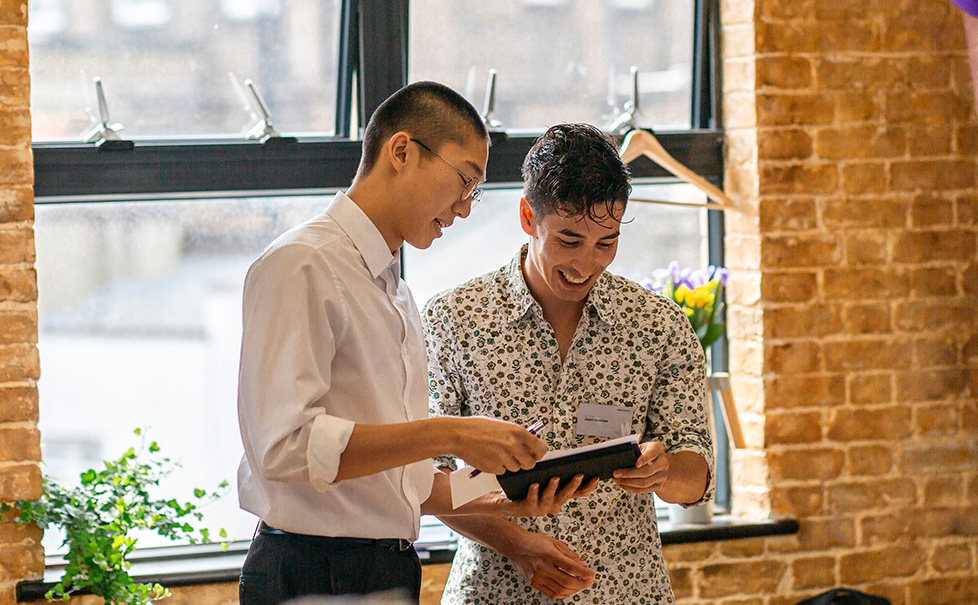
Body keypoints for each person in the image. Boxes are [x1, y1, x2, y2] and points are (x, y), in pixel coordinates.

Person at [236, 82, 591, 605]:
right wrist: (451, 432)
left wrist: (511, 493)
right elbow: (284, 447)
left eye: (476, 192)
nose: (465, 210)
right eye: (465, 181)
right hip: (313, 568)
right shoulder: (302, 264)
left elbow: (411, 487)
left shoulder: (395, 292)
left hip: (386, 568)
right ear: (401, 152)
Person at [423, 123, 715, 604]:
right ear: (527, 216)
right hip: (495, 591)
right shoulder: (455, 320)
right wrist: (518, 545)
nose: (585, 264)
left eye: (606, 243)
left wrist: (664, 472)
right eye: (568, 240)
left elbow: (699, 477)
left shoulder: (657, 325)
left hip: (625, 591)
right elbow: (427, 483)